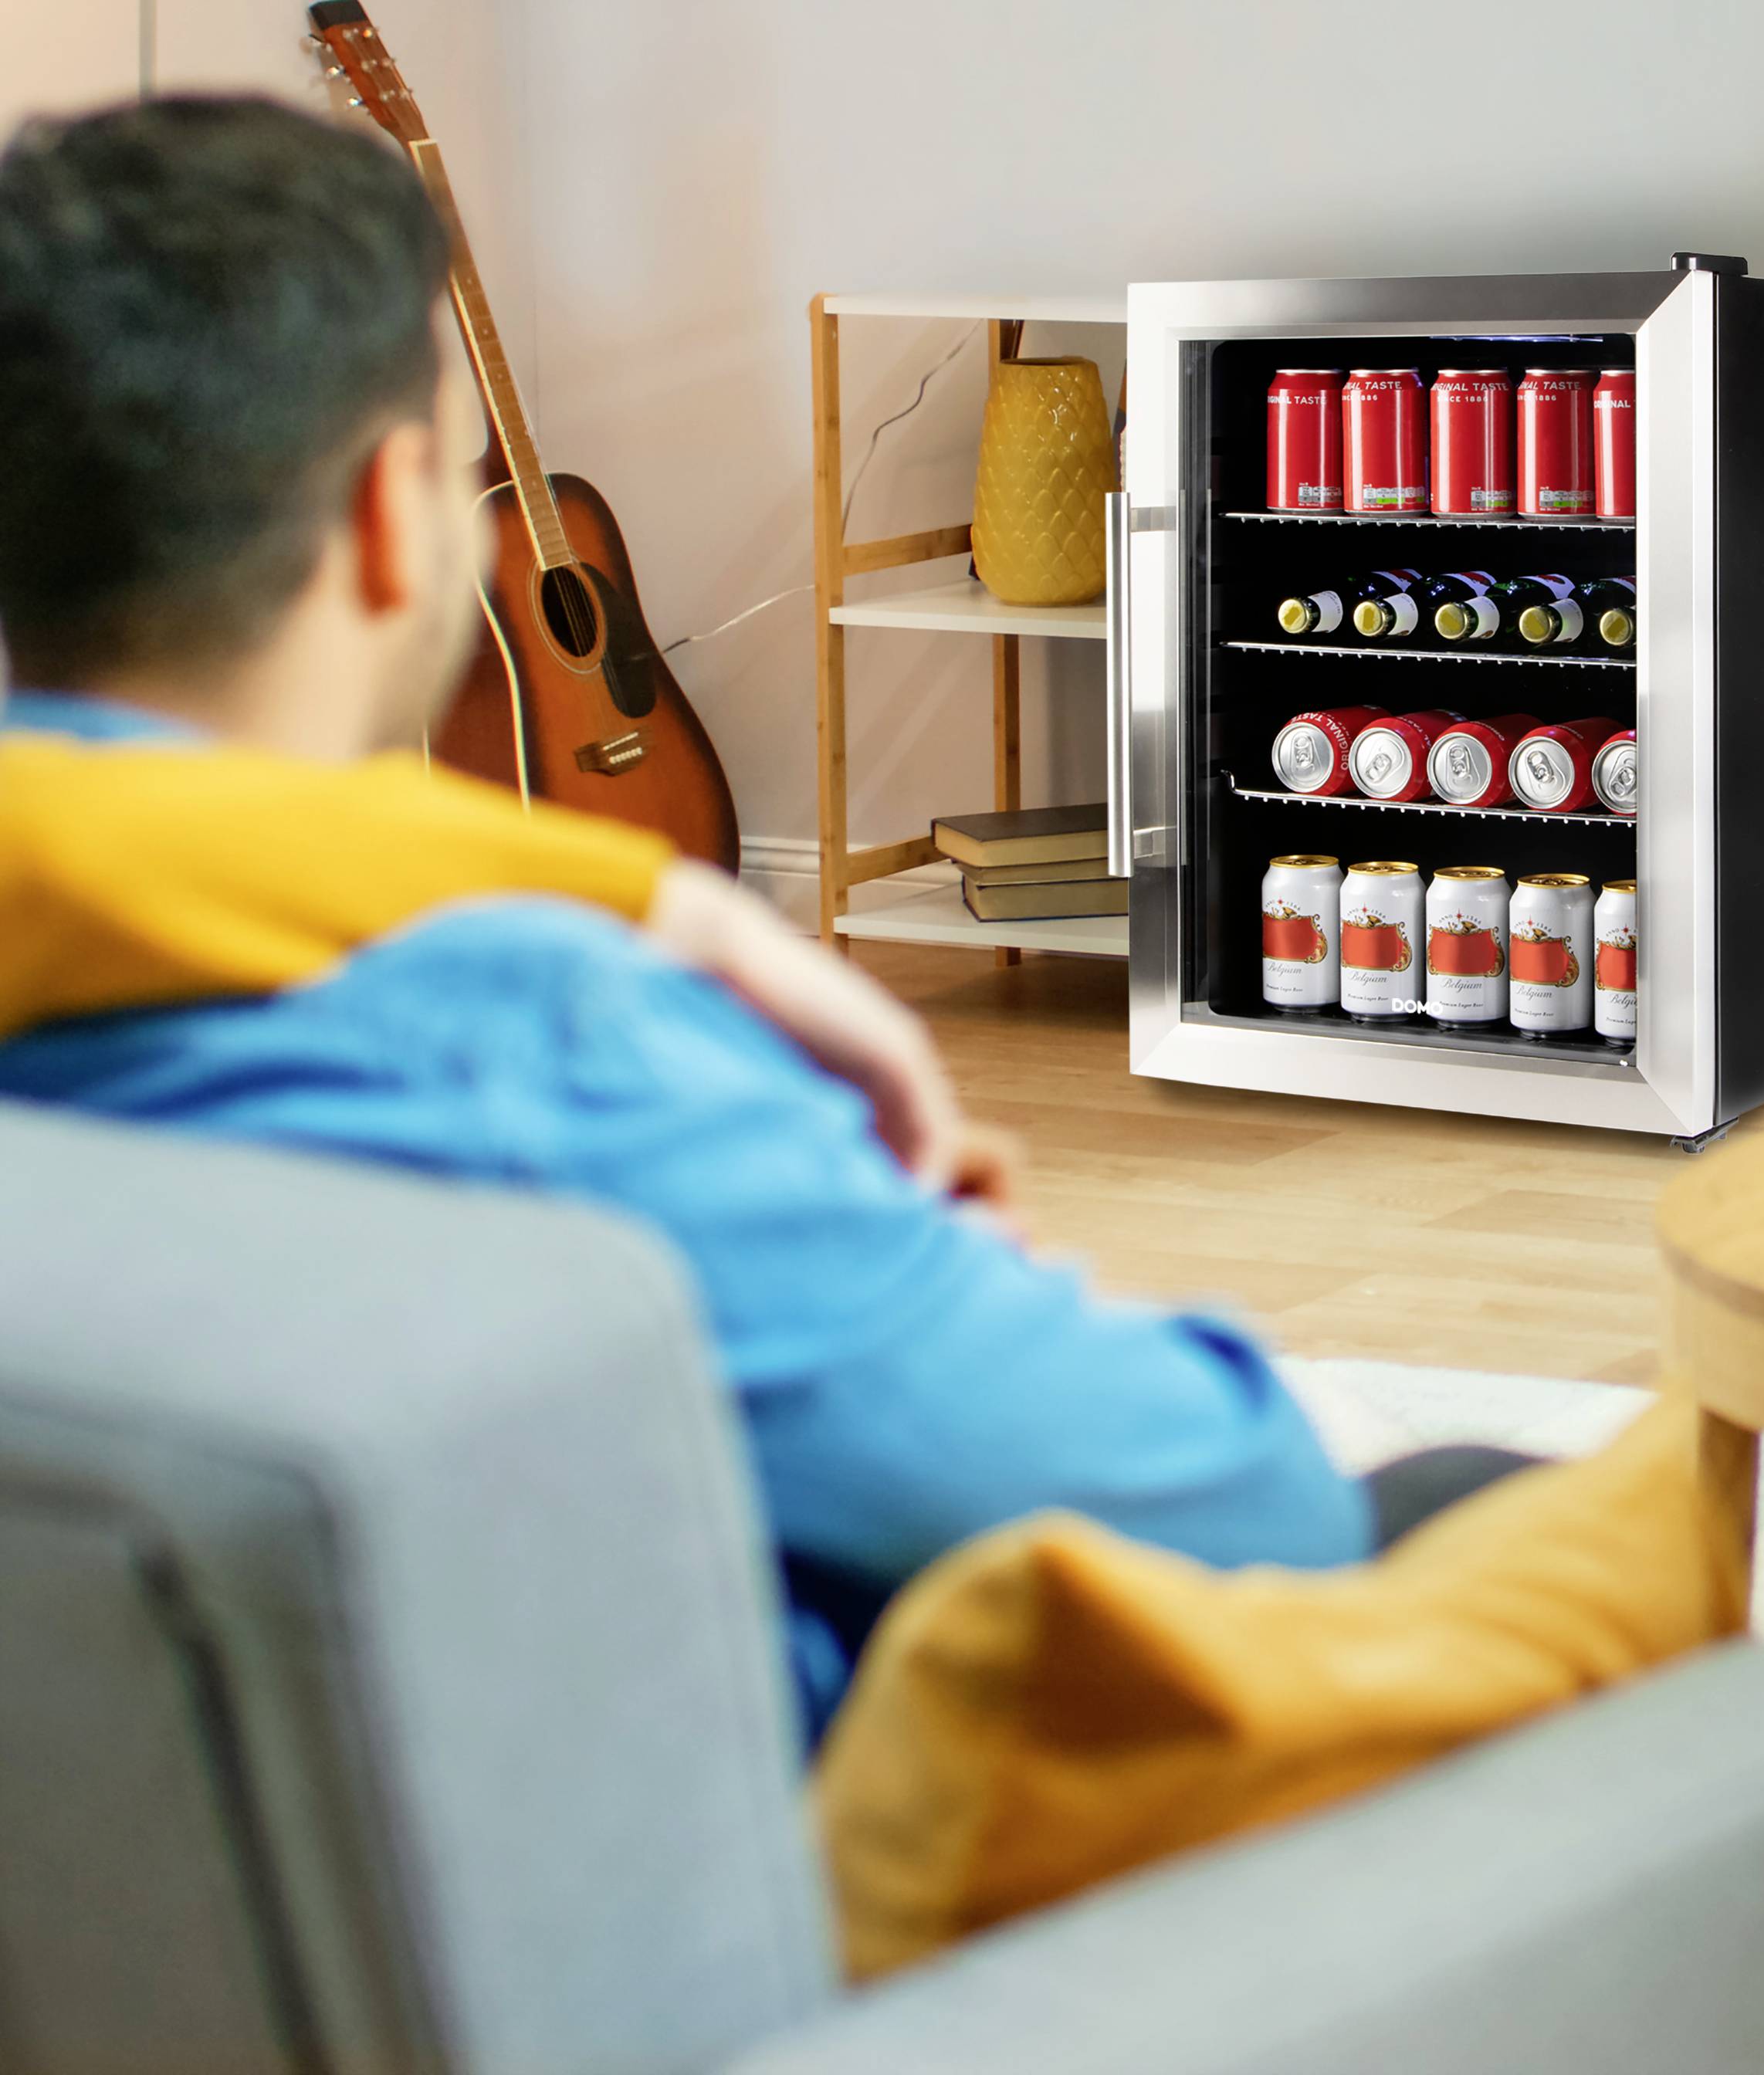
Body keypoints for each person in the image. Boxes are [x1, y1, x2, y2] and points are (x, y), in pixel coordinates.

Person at [0, 96, 1476, 1742]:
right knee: (1471, 1509)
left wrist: (623, 892)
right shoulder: (536, 1050)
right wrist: (905, 1265)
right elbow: (1239, 1508)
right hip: (748, 1926)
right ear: (383, 515)